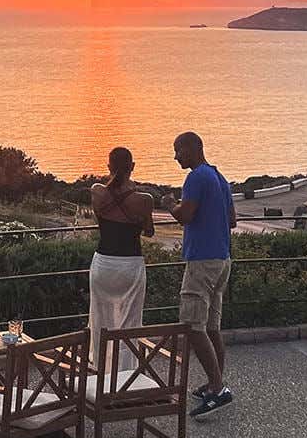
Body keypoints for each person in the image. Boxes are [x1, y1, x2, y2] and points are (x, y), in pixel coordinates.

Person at [161, 132, 236, 419]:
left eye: (178, 150)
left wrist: (170, 203)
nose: (175, 156)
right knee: (212, 327)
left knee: (192, 326)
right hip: (222, 259)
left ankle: (217, 389)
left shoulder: (195, 177)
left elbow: (185, 216)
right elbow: (232, 220)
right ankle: (215, 383)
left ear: (194, 148)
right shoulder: (218, 177)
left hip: (202, 261)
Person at [88, 147, 155, 371]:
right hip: (130, 265)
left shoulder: (97, 191)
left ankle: (100, 371)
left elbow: (100, 214)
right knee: (129, 324)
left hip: (103, 264)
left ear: (109, 167)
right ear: (132, 167)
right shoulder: (144, 200)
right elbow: (149, 231)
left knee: (100, 320)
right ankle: (125, 376)